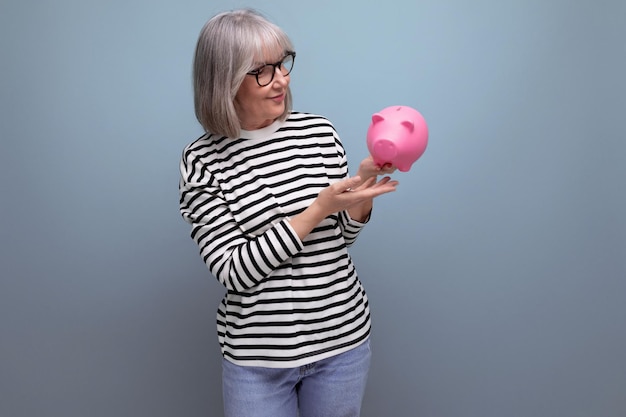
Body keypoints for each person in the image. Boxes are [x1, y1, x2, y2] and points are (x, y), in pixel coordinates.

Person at [179, 8, 398, 417]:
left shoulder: (318, 132)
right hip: (257, 359)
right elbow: (233, 270)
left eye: (282, 62)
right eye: (262, 70)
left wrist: (362, 192)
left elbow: (341, 239)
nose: (281, 78)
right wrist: (317, 209)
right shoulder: (202, 161)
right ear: (224, 79)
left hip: (342, 344)